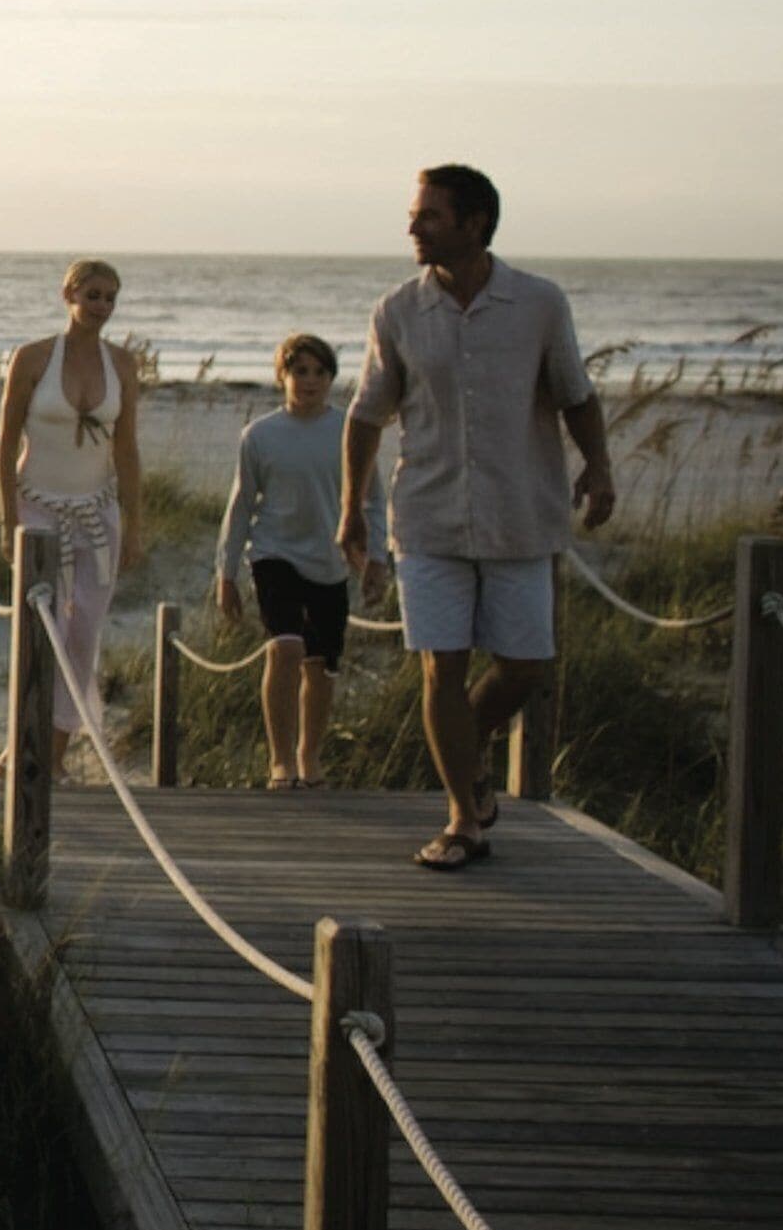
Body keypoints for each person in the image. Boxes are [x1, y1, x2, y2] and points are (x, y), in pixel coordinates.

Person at [337, 164, 618, 871]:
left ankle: (470, 745)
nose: (412, 226)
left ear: (475, 223)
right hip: (427, 515)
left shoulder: (540, 304)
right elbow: (367, 415)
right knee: (441, 671)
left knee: (525, 666)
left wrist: (600, 466)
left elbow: (576, 394)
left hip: (522, 512)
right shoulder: (397, 311)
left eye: (429, 215)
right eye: (414, 213)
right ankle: (464, 816)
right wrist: (352, 509)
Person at [211, 332, 383, 789]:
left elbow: (375, 502)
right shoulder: (260, 435)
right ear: (282, 376)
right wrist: (226, 574)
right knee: (286, 647)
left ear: (331, 377)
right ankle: (280, 760)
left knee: (322, 665)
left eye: (319, 372)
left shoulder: (351, 431)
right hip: (274, 554)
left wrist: (376, 560)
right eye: (299, 371)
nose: (309, 381)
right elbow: (242, 505)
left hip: (330, 560)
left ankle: (309, 756)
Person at [0, 257, 142, 779]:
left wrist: (136, 521)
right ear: (69, 295)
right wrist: (6, 517)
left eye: (109, 298)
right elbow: (6, 440)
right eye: (93, 295)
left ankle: (52, 757)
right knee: (42, 633)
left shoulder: (122, 364)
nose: (101, 306)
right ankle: (20, 744)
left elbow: (127, 450)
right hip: (37, 510)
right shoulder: (32, 359)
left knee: (82, 638)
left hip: (98, 516)